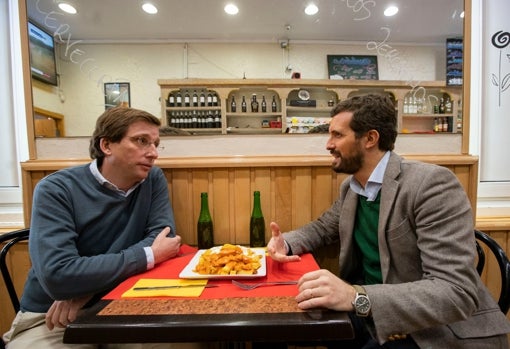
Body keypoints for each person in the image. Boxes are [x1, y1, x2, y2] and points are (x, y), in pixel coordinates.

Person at [267, 94, 510, 349]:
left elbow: (455, 293)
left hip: (437, 332)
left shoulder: (431, 185)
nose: (329, 144)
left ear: (370, 139)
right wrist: (287, 243)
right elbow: (324, 228)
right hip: (373, 315)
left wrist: (355, 296)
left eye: (338, 135)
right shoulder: (352, 187)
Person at [3, 107, 204, 349]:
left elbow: (164, 239)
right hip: (51, 316)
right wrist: (149, 254)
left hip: (124, 303)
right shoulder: (56, 189)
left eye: (155, 144)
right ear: (106, 145)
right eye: (141, 141)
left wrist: (86, 292)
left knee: (179, 341)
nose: (153, 153)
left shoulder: (152, 179)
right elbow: (58, 276)